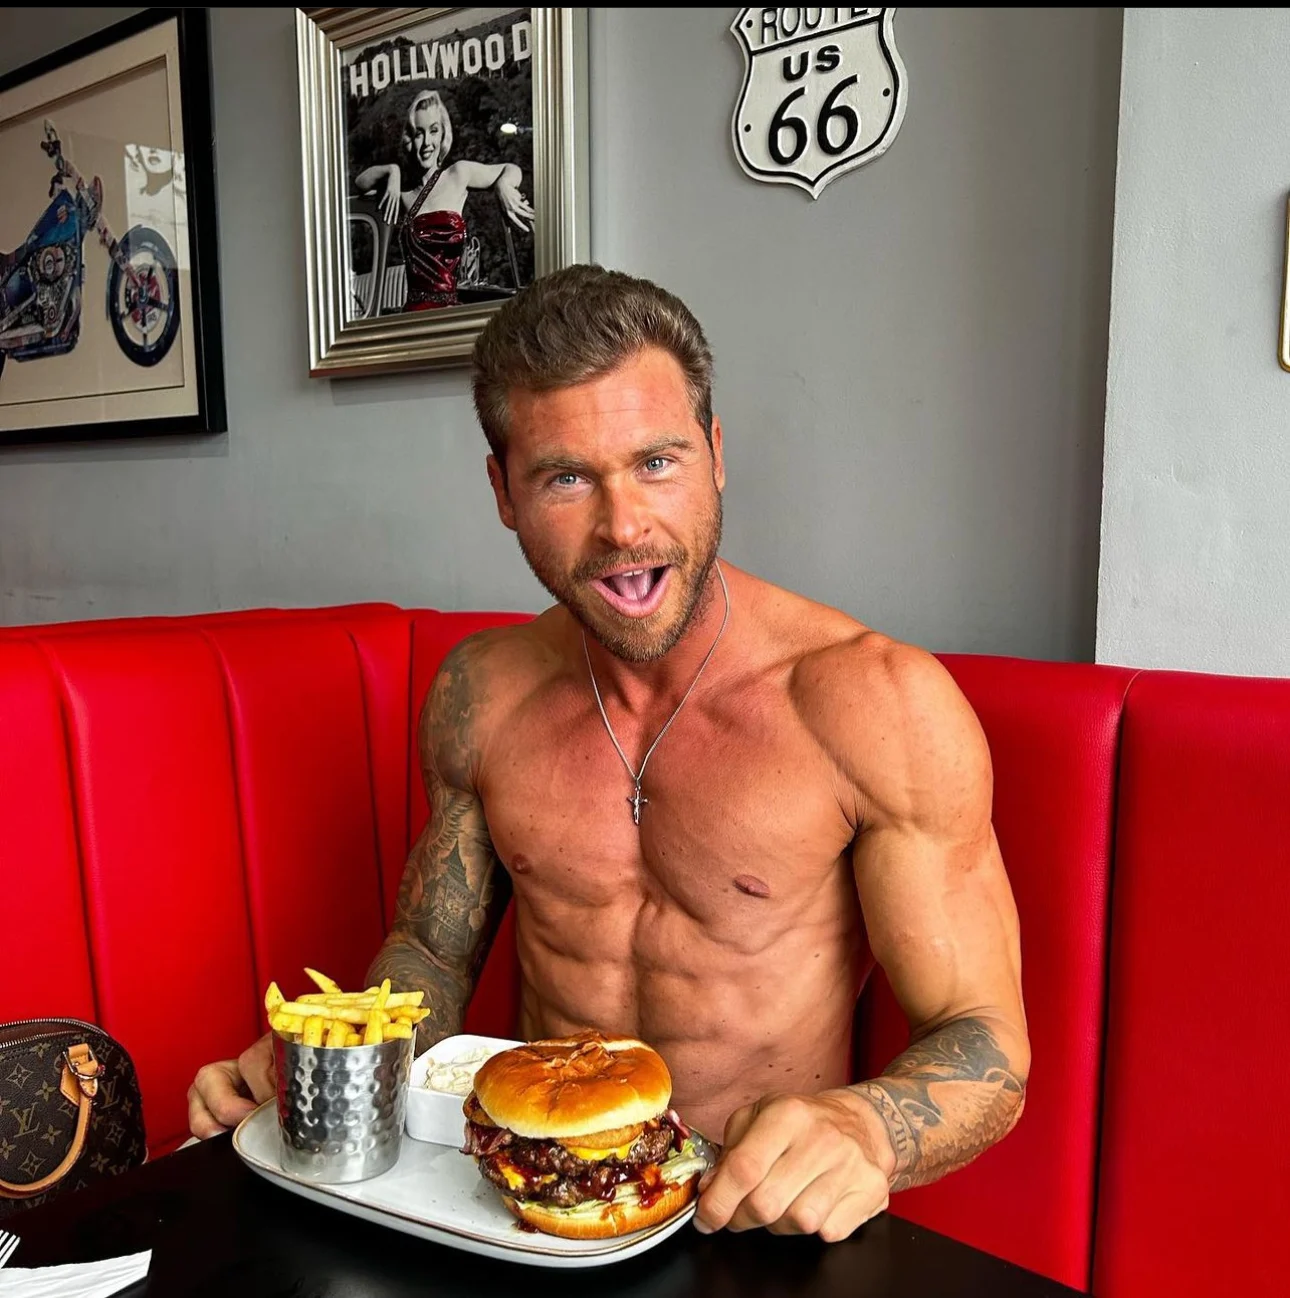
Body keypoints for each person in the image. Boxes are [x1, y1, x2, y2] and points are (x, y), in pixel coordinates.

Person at [188, 265, 1030, 1242]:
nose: (624, 526)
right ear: (503, 490)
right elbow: (428, 951)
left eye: (657, 462)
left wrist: (868, 1125)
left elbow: (986, 1041)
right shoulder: (483, 695)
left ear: (716, 454)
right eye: (567, 477)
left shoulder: (873, 703)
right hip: (520, 1211)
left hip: (748, 1226)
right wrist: (333, 1064)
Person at [353, 88, 533, 309]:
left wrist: (503, 185)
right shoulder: (404, 196)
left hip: (446, 314)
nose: (427, 142)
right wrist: (392, 171)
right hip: (412, 315)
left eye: (433, 130)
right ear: (410, 139)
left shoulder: (458, 174)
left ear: (442, 135)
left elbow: (511, 169)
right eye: (419, 133)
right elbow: (360, 183)